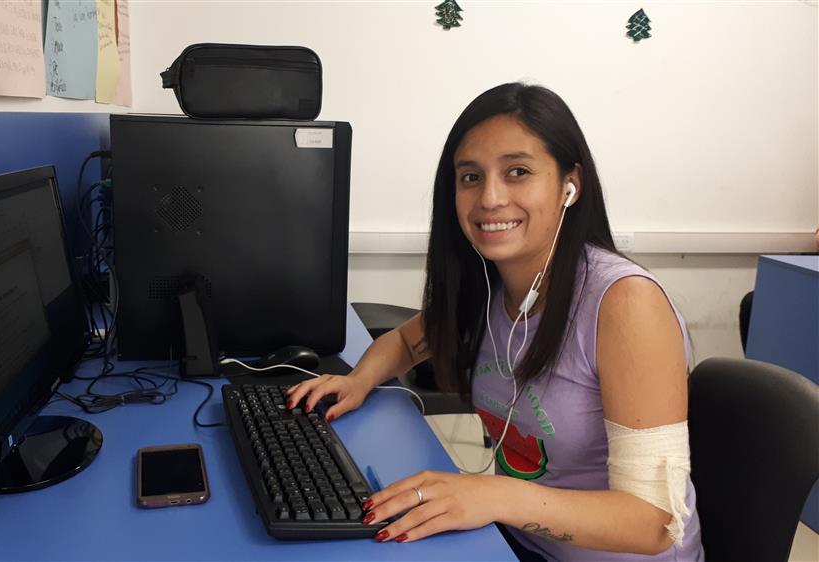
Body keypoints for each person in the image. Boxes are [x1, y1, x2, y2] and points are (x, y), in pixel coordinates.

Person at [287, 83, 704, 561]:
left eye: (518, 172)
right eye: (470, 177)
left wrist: (494, 495)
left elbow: (655, 523)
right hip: (519, 542)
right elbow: (406, 341)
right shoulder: (490, 286)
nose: (489, 197)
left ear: (570, 185)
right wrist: (359, 380)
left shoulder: (625, 304)